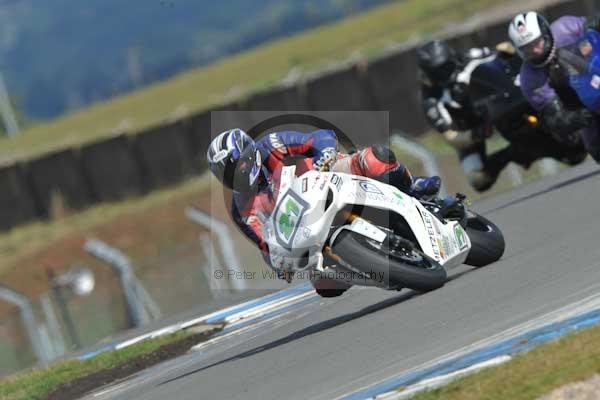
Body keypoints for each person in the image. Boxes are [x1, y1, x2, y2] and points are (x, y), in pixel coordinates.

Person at [206, 128, 441, 283]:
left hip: (330, 179)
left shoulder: (272, 144)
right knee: (325, 286)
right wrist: (281, 264)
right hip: (308, 230)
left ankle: (413, 187)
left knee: (374, 159)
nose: (235, 175)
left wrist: (325, 154)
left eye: (237, 167)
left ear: (249, 155)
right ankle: (383, 269)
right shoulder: (242, 210)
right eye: (225, 173)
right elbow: (266, 247)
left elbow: (320, 137)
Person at [418, 39, 586, 192]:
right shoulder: (431, 99)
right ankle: (507, 155)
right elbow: (451, 137)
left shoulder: (471, 55)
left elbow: (502, 50)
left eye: (446, 66)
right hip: (470, 127)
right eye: (438, 72)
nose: (445, 73)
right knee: (478, 180)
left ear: (452, 56)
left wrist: (511, 54)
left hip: (500, 99)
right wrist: (475, 134)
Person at [508, 11, 600, 160]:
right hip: (581, 104)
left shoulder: (566, 27)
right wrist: (575, 119)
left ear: (545, 33)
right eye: (527, 48)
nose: (535, 50)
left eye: (536, 42)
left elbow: (594, 23)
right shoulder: (529, 79)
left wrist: (595, 23)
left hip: (597, 68)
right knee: (595, 147)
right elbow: (555, 118)